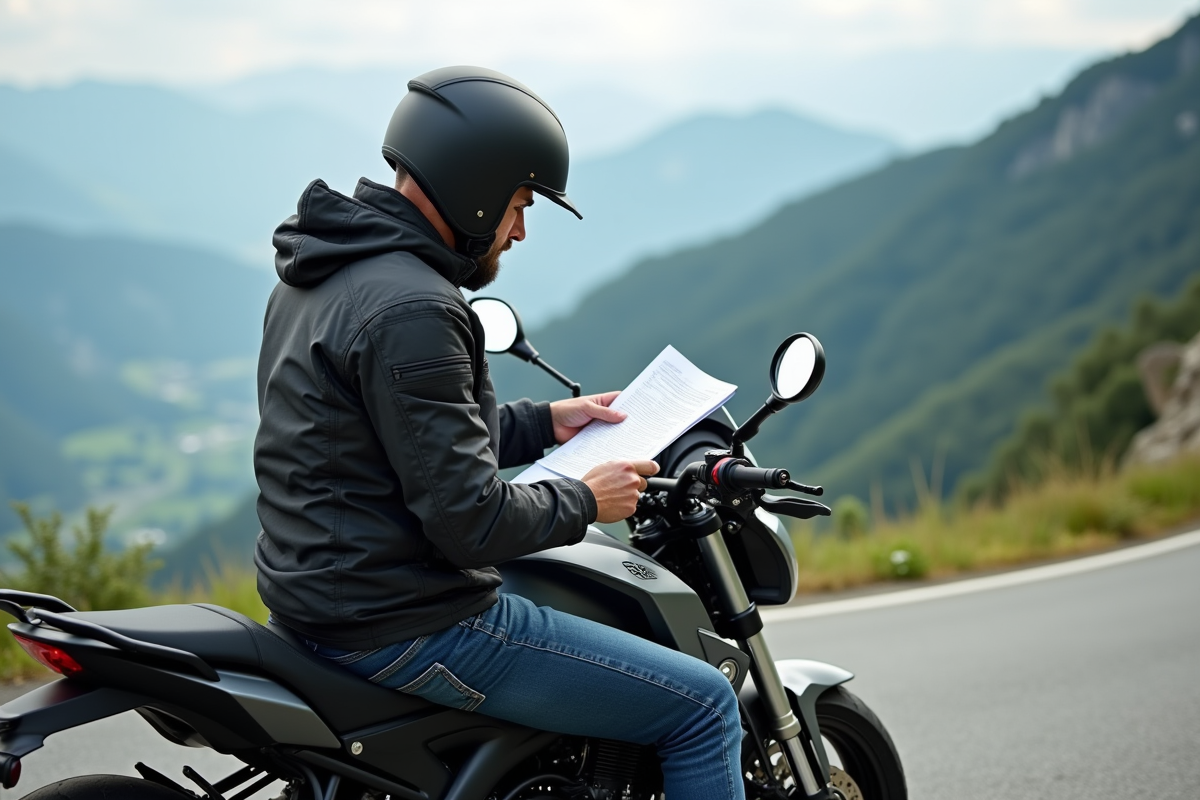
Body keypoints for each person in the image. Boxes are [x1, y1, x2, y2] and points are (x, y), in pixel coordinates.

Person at [253, 66, 744, 800]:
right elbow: (469, 524)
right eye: (519, 203)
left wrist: (544, 424)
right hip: (407, 621)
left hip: (323, 598)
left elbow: (390, 439)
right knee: (704, 706)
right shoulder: (412, 307)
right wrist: (586, 499)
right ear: (472, 185)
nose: (518, 230)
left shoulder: (325, 270)